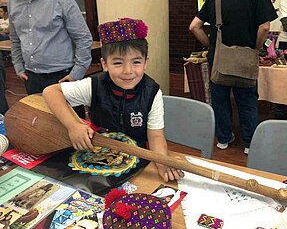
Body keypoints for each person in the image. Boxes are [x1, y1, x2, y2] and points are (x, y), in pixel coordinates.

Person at [43, 18, 184, 182]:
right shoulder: (95, 85)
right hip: (97, 157)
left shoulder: (152, 92)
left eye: (136, 62)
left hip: (137, 158)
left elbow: (156, 136)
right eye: (118, 63)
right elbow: (50, 92)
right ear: (105, 64)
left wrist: (162, 162)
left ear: (146, 62)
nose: (128, 71)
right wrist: (72, 125)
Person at [189, 0, 277, 154]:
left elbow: (194, 26)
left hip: (218, 60)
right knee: (247, 103)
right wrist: (256, 47)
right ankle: (249, 143)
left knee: (220, 101)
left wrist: (211, 46)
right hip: (246, 58)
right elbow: (265, 27)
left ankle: (223, 139)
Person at [7, 0, 93, 118]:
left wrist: (76, 73)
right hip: (31, 77)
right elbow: (15, 39)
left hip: (62, 77)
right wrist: (19, 67)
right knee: (40, 123)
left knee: (73, 126)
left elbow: (83, 37)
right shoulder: (12, 1)